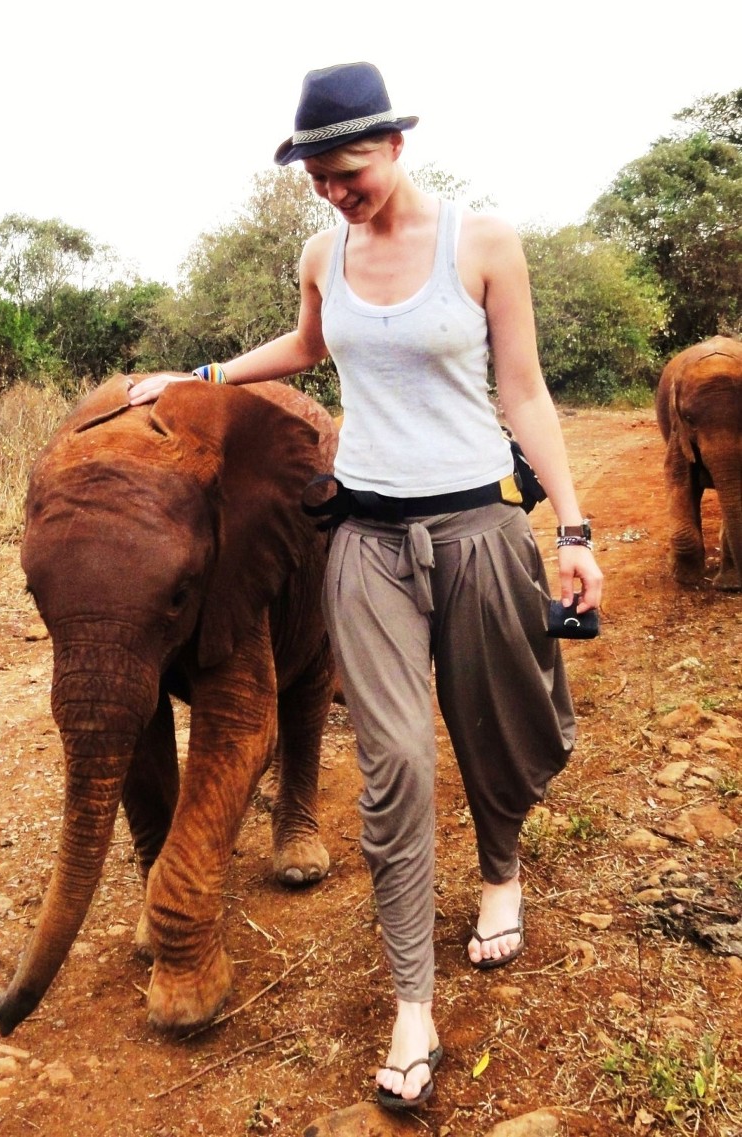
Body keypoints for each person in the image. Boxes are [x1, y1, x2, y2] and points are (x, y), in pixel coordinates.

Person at [128, 61, 603, 1111]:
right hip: (370, 538)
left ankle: (500, 873)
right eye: (317, 177)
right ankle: (412, 1006)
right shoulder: (321, 251)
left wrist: (570, 526)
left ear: (396, 145)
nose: (333, 192)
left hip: (479, 522)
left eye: (347, 172)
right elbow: (308, 344)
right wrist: (203, 377)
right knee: (391, 763)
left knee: (489, 726)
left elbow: (521, 387)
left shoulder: (483, 244)